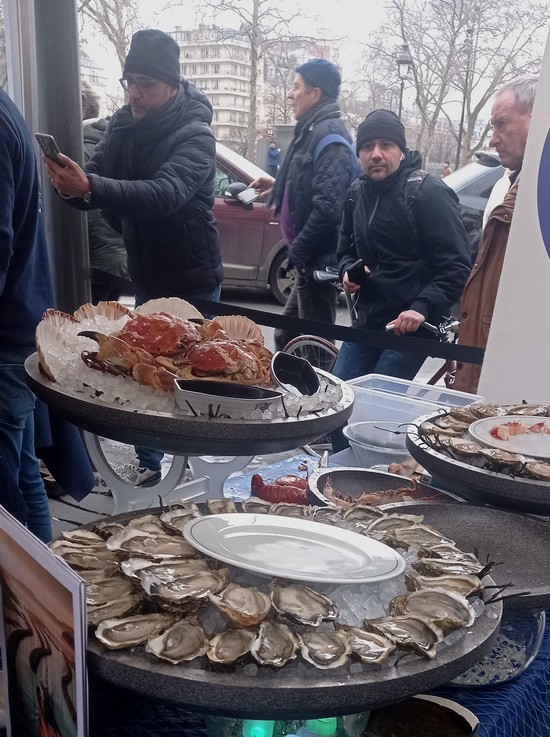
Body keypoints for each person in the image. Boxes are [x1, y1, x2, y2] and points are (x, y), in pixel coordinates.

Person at [43, 29, 223, 487]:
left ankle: (190, 465)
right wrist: (73, 188)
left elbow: (167, 194)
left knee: (191, 377)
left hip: (191, 275)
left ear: (173, 85)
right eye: (130, 82)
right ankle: (151, 465)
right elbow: (96, 179)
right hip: (145, 272)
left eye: (147, 83)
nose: (136, 93)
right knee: (147, 374)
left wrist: (92, 189)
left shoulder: (196, 133)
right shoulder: (124, 124)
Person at [332, 109, 471, 384]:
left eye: (386, 145)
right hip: (367, 322)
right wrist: (347, 273)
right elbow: (344, 251)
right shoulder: (356, 193)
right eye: (368, 146)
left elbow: (457, 265)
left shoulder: (428, 193)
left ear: (402, 152)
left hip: (410, 328)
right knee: (336, 402)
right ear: (359, 154)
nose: (376, 154)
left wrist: (421, 307)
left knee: (374, 411)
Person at [251, 59, 357, 353]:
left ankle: (320, 398)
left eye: (296, 87)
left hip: (316, 260)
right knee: (287, 336)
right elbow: (311, 183)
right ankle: (296, 394)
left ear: (316, 93)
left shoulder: (329, 135)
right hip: (308, 259)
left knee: (315, 348)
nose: (290, 94)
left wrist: (298, 253)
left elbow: (329, 206)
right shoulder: (312, 130)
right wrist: (276, 185)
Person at [453, 75, 537, 394]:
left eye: (501, 124)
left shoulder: (533, 197)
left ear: (538, 117)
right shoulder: (511, 184)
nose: (493, 139)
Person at [0, 86, 55, 542]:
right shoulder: (7, 111)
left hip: (5, 337)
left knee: (7, 494)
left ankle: (29, 608)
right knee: (22, 474)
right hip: (19, 325)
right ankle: (53, 605)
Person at [81, 80, 133, 303]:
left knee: (91, 325)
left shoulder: (82, 146)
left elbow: (87, 212)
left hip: (96, 261)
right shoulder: (114, 140)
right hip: (116, 258)